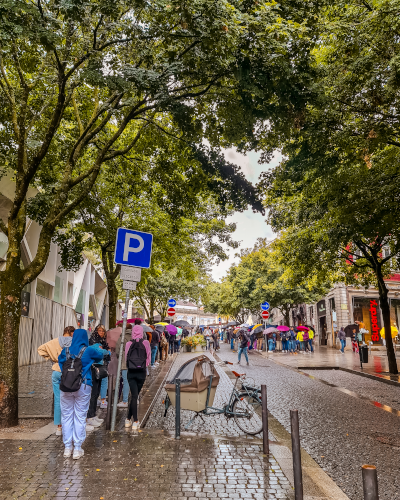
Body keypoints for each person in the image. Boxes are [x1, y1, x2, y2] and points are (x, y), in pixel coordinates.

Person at [58, 329, 107, 459]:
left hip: (66, 386)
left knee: (66, 416)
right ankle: (77, 448)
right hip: (83, 385)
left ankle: (67, 448)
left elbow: (60, 362)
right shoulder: (88, 350)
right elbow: (100, 356)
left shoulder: (65, 350)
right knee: (80, 416)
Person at [37, 326, 75, 436]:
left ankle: (59, 427)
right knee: (70, 398)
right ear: (72, 333)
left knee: (58, 399)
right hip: (69, 372)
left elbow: (40, 349)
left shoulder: (54, 341)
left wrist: (52, 359)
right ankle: (69, 425)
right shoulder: (74, 342)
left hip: (56, 371)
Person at [125, 323, 151, 430]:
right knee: (136, 395)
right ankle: (135, 421)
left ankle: (128, 419)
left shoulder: (128, 344)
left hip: (131, 372)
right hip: (141, 372)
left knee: (134, 396)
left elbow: (126, 358)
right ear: (142, 332)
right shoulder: (145, 343)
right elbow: (148, 359)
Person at [86, 325, 110, 427]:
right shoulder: (92, 341)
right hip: (94, 368)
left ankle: (93, 415)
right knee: (93, 393)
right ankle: (90, 416)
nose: (101, 333)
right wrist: (106, 351)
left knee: (96, 393)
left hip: (101, 368)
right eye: (99, 331)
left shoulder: (103, 341)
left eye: (102, 331)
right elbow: (100, 353)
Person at [115, 326, 133, 408]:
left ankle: (125, 400)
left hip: (124, 362)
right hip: (135, 363)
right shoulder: (135, 337)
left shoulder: (122, 338)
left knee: (126, 381)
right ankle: (135, 399)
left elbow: (118, 351)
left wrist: (120, 358)